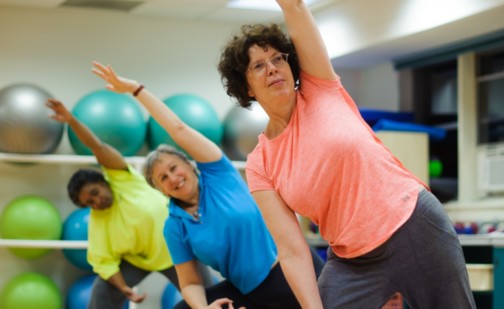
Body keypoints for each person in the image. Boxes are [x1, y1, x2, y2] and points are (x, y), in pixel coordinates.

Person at [216, 1, 477, 309]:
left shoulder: (319, 88)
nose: (272, 67)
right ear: (246, 88)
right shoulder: (261, 163)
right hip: (354, 261)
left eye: (277, 58)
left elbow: (296, 8)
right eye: (258, 65)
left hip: (415, 225)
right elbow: (292, 250)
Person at [91, 61, 325, 309]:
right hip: (248, 291)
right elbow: (190, 282)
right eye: (163, 178)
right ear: (160, 189)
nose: (173, 178)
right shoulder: (174, 226)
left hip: (289, 272)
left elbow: (177, 128)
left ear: (190, 164)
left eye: (173, 168)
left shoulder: (219, 174)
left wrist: (136, 90)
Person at [45, 99, 213, 309]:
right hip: (139, 261)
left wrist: (71, 120)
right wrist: (123, 287)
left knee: (210, 296)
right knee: (102, 293)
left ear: (104, 180)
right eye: (89, 202)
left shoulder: (122, 179)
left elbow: (97, 146)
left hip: (177, 251)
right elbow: (104, 263)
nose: (97, 202)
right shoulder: (98, 223)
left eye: (95, 193)